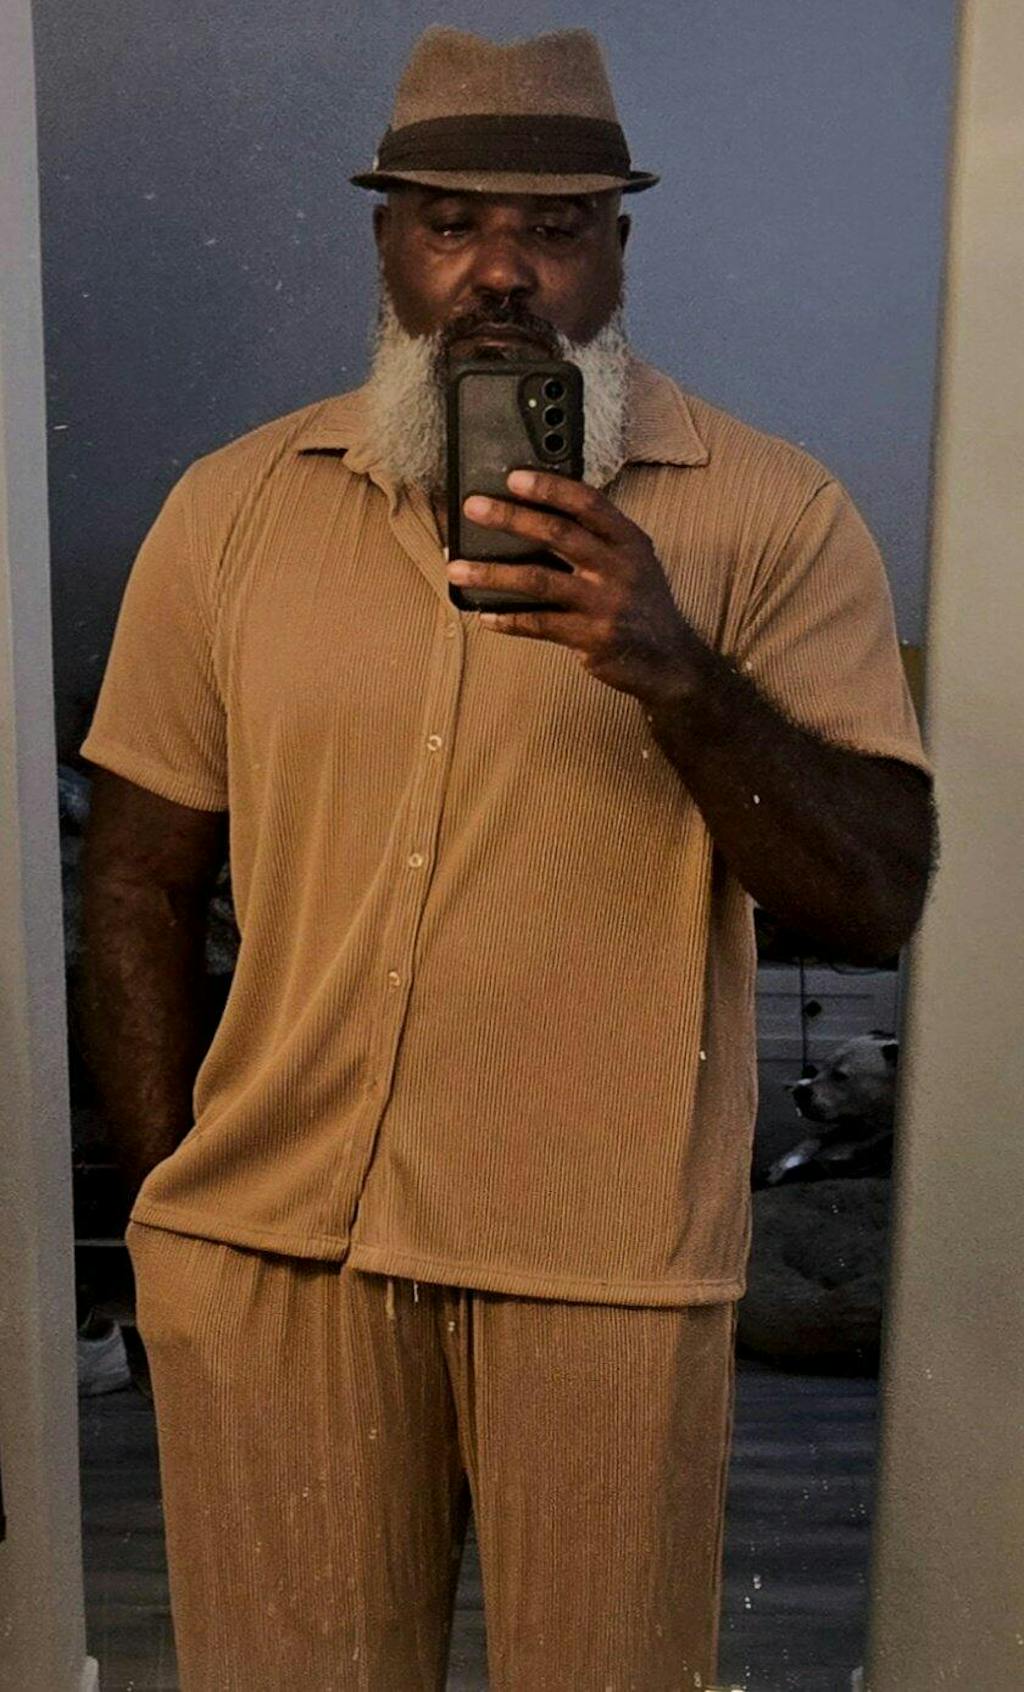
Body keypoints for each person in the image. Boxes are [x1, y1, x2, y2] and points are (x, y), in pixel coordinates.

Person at [78, 25, 936, 1692]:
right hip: (273, 1258)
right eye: (452, 222)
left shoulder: (773, 514)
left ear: (619, 248)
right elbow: (135, 876)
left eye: (554, 227)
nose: (500, 271)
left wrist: (677, 669)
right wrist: (178, 1205)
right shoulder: (228, 510)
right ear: (385, 240)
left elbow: (874, 896)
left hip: (602, 1267)